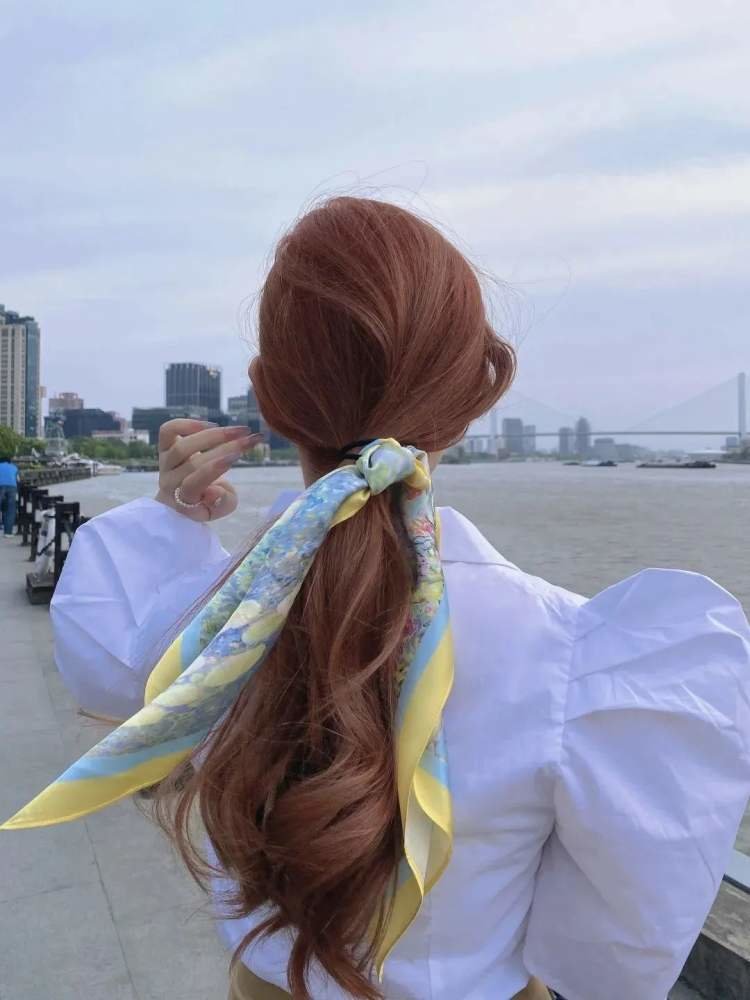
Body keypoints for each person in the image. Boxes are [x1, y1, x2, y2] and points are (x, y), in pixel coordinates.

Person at [4, 198, 750, 1000]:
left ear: (269, 398)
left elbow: (121, 696)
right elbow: (614, 959)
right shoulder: (577, 656)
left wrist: (173, 520)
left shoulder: (193, 623)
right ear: (470, 401)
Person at [0, 452, 19, 538]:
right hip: (12, 487)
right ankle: (8, 532)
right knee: (10, 510)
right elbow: (18, 480)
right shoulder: (14, 467)